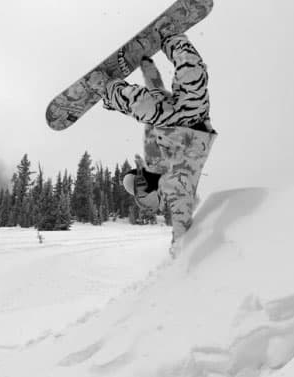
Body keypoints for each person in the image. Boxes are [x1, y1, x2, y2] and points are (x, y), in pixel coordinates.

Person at [86, 16, 217, 257]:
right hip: (195, 120)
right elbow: (180, 216)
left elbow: (152, 93)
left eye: (137, 179)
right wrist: (179, 254)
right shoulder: (173, 183)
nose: (141, 179)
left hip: (169, 118)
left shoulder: (151, 159)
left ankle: (112, 88)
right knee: (193, 76)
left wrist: (146, 63)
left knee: (145, 105)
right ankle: (109, 90)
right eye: (140, 185)